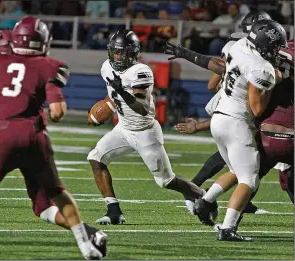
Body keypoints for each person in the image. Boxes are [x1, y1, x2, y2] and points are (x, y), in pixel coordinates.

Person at [0, 29, 107, 257]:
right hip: (35, 139)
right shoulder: (38, 66)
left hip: (3, 139)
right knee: (45, 205)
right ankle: (88, 235)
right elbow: (56, 107)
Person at [87, 30, 211, 226]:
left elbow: (143, 108)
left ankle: (204, 198)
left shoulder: (140, 71)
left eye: (122, 52)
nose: (118, 56)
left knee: (166, 181)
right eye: (115, 52)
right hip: (123, 129)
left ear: (133, 53)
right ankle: (114, 211)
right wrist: (103, 110)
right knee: (96, 158)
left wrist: (123, 92)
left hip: (145, 132)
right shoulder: (106, 67)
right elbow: (112, 97)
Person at [165, 10, 273, 215]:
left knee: (241, 163)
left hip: (230, 102)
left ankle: (209, 198)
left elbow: (215, 78)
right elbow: (220, 80)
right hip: (239, 105)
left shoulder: (239, 45)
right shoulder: (252, 53)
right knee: (248, 164)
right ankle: (217, 207)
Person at [197, 20, 286, 241]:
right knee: (249, 180)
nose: (276, 51)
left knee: (236, 171)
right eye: (274, 46)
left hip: (219, 117)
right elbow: (257, 109)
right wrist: (273, 83)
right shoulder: (261, 68)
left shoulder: (238, 46)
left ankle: (206, 200)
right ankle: (227, 229)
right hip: (237, 123)